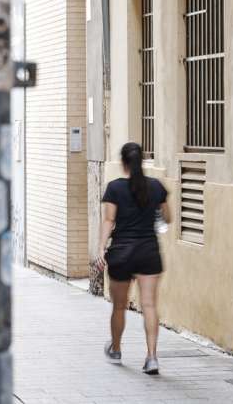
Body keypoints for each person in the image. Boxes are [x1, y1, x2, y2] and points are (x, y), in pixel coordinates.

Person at [94, 142, 171, 374]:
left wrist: (100, 249)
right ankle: (152, 357)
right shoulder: (156, 187)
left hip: (122, 254)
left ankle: (116, 349)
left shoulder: (115, 188)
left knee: (119, 306)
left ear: (123, 162)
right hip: (149, 252)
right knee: (149, 305)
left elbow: (109, 220)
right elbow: (167, 218)